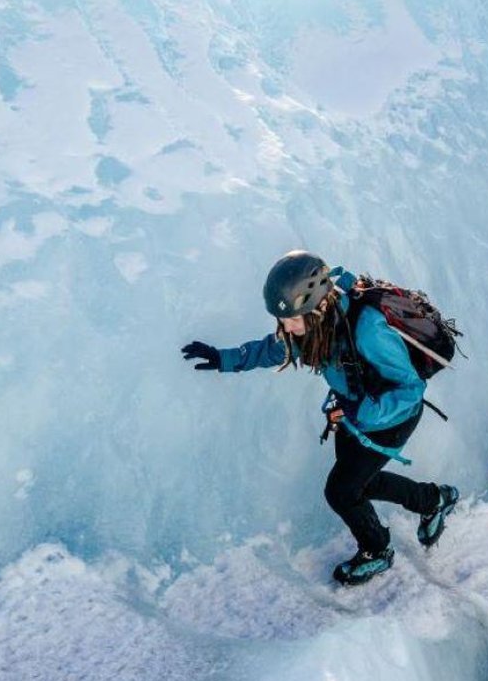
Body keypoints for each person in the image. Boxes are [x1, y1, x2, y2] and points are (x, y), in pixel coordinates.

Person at [180, 251, 459, 586]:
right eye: (283, 320)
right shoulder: (316, 323)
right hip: (352, 414)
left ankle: (378, 551)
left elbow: (410, 389)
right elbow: (277, 349)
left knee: (341, 491)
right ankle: (434, 500)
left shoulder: (367, 330)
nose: (287, 327)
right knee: (359, 484)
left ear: (319, 304)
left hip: (389, 421)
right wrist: (224, 358)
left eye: (292, 319)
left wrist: (359, 412)